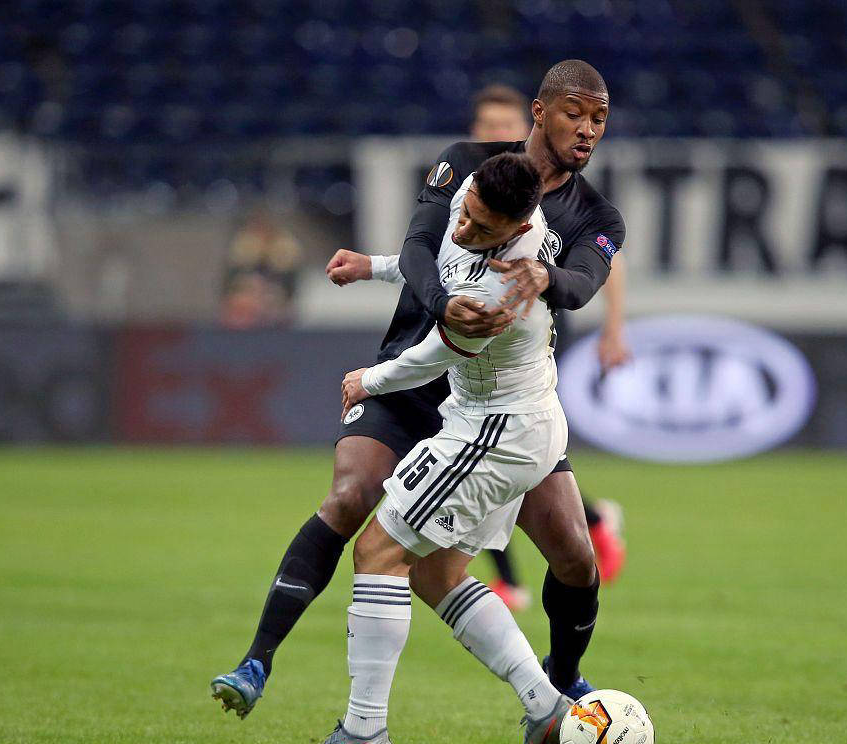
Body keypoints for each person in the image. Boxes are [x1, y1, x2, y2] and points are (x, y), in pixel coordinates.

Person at [211, 59, 623, 719]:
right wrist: (431, 299)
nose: (588, 129)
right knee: (350, 498)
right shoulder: (466, 166)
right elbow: (419, 247)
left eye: (599, 118)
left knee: (574, 554)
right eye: (575, 113)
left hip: (488, 399)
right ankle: (257, 661)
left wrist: (545, 281)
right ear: (539, 113)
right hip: (415, 374)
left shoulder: (594, 216)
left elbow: (581, 284)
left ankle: (560, 685)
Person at [323, 152, 570, 744]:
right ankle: (547, 708)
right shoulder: (475, 198)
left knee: (378, 550)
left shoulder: (504, 287)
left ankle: (363, 731)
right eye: (466, 213)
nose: (463, 229)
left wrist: (368, 380)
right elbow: (441, 260)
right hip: (512, 423)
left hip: (496, 433)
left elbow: (433, 356)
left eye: (482, 228)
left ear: (519, 229)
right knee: (436, 573)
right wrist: (374, 267)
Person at [466, 84, 630, 610]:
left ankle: (523, 570)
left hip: (533, 334)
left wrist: (614, 329)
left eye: (504, 125)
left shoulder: (568, 196)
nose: (495, 134)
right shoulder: (473, 180)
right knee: (488, 452)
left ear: (528, 124)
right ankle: (584, 525)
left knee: (505, 447)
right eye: (487, 126)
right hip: (476, 328)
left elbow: (606, 263)